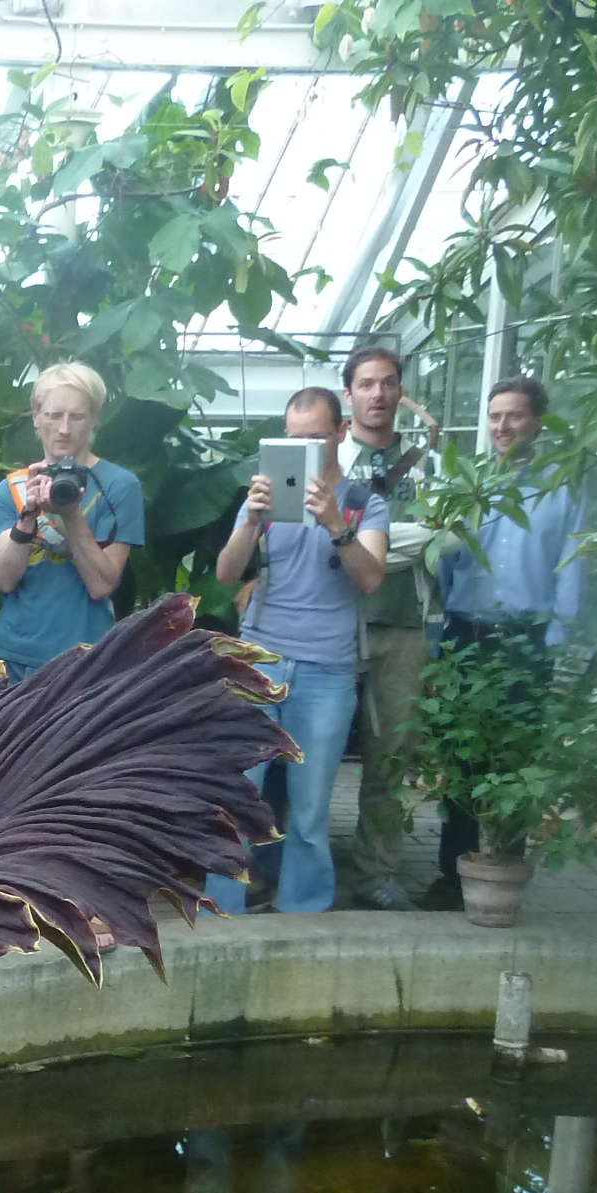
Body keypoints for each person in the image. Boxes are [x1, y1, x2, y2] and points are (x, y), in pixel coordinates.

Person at [208, 386, 388, 914]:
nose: (304, 448)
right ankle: (220, 909)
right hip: (259, 665)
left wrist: (337, 524)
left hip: (327, 673)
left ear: (340, 433)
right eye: (292, 440)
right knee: (236, 796)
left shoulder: (363, 502)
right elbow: (224, 575)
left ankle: (303, 915)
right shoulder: (262, 498)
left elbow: (371, 579)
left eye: (314, 438)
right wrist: (251, 522)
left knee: (310, 811)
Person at [421, 373, 588, 909]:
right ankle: (453, 876)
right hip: (465, 634)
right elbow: (442, 558)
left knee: (514, 758)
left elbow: (574, 564)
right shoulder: (468, 484)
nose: (502, 425)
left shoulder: (565, 486)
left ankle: (503, 869)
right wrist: (437, 632)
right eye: (495, 416)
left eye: (514, 415)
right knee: (461, 760)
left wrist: (558, 639)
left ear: (538, 420)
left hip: (525, 640)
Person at [340, 341, 442, 910]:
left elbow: (441, 535)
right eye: (367, 383)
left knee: (392, 754)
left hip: (404, 624)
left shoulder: (427, 464)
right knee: (307, 749)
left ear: (400, 393)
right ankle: (290, 860)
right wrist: (384, 543)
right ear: (348, 393)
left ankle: (375, 869)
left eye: (388, 383)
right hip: (334, 621)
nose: (378, 393)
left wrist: (362, 544)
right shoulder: (329, 457)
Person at [0, 362, 143, 681]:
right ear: (36, 415)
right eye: (54, 415)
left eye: (77, 416)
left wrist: (70, 513)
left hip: (86, 657)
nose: (64, 429)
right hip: (15, 656)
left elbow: (101, 585)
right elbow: (3, 579)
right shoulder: (14, 488)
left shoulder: (120, 486)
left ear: (94, 418)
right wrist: (27, 516)